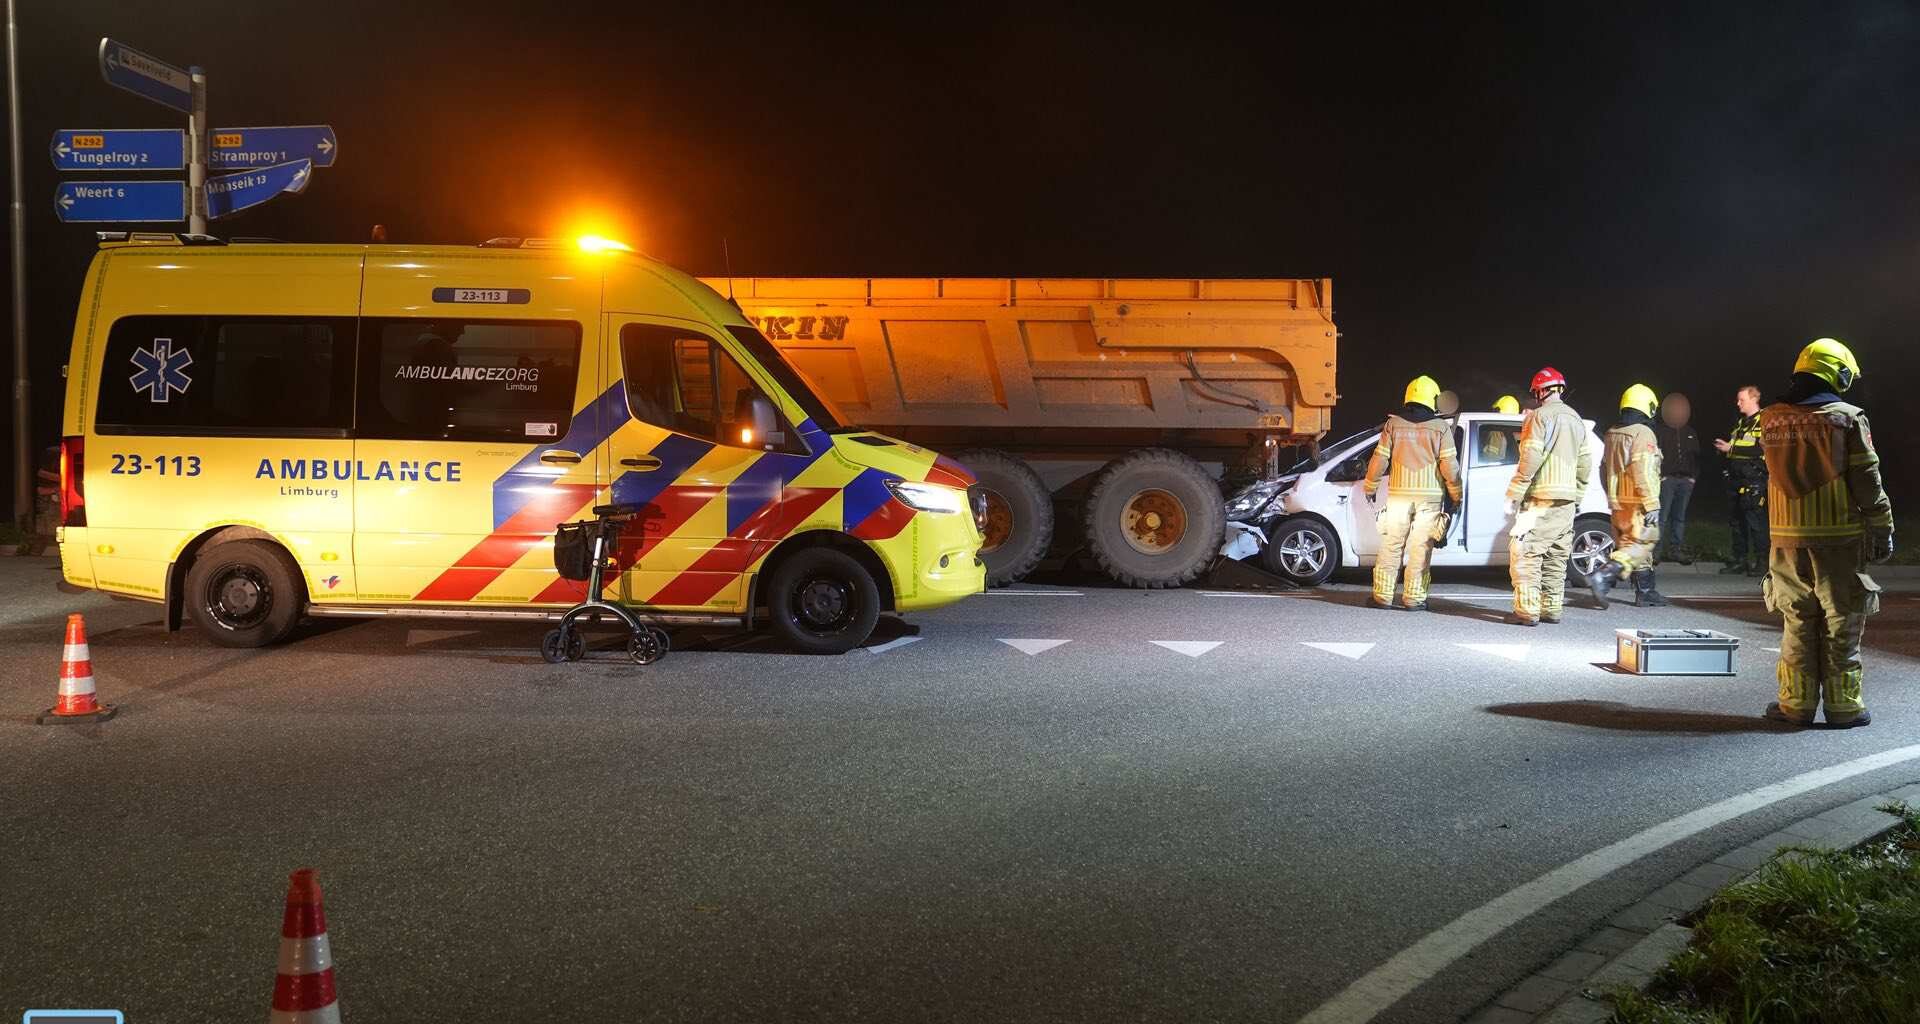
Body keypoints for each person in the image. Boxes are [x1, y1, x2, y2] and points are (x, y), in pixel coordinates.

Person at [1757, 339, 1893, 728]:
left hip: (1785, 542)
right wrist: (1882, 527)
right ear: (1839, 373)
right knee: (1842, 622)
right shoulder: (1847, 418)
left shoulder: (1769, 418)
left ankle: (1795, 705)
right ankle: (1844, 707)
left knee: (1797, 622)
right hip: (1839, 539)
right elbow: (1866, 479)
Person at [1364, 375, 1462, 611]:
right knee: (1420, 549)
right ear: (1433, 399)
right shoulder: (1440, 428)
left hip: (1398, 496)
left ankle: (1382, 597)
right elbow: (1449, 466)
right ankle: (1414, 599)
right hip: (1429, 500)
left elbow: (1380, 459)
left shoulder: (1393, 424)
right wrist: (1456, 494)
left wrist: (1370, 485)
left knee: (1391, 545)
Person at [1504, 367, 1592, 626]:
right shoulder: (1576, 419)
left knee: (1526, 553)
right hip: (1565, 502)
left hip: (1540, 500)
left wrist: (1515, 492)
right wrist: (1577, 496)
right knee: (1556, 557)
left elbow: (1530, 458)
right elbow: (1585, 463)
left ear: (1541, 391)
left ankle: (1528, 612)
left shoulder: (1539, 417)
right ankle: (1551, 610)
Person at [1586, 384, 1668, 607]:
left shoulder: (1612, 432)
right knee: (1644, 541)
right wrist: (1651, 503)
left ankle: (1646, 592)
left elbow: (1603, 469)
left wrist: (1611, 496)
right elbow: (1642, 471)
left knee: (1630, 545)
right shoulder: (1643, 433)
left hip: (1618, 502)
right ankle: (1604, 574)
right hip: (1637, 501)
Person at [1713, 386, 1768, 575]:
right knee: (1736, 522)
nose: (1738, 403)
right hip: (1736, 479)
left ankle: (1762, 562)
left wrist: (1731, 449)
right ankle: (1740, 560)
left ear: (1754, 399)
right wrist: (1724, 451)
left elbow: (1762, 449)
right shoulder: (1740, 424)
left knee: (1756, 522)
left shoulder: (1764, 421)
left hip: (1754, 479)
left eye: (1741, 400)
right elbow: (1735, 447)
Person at [1653, 392, 1699, 564]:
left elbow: (1696, 457)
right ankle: (1656, 552)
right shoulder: (1660, 431)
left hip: (1685, 481)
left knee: (1679, 517)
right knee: (1662, 517)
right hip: (1667, 480)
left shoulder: (1690, 432)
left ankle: (1675, 550)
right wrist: (1660, 476)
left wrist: (1692, 477)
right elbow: (1654, 456)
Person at [1483, 395, 1521, 462]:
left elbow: (1490, 459)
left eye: (1494, 411)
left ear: (1498, 411)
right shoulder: (1519, 432)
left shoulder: (1495, 433)